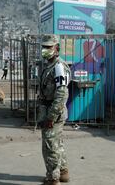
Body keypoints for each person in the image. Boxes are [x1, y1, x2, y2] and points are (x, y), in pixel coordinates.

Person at [38, 35, 71, 185]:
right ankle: (63, 172)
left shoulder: (58, 66)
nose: (45, 50)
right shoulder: (48, 65)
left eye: (49, 47)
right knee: (57, 143)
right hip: (49, 109)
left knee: (50, 146)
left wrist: (51, 116)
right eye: (44, 47)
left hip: (53, 112)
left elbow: (62, 94)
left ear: (56, 48)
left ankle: (53, 179)